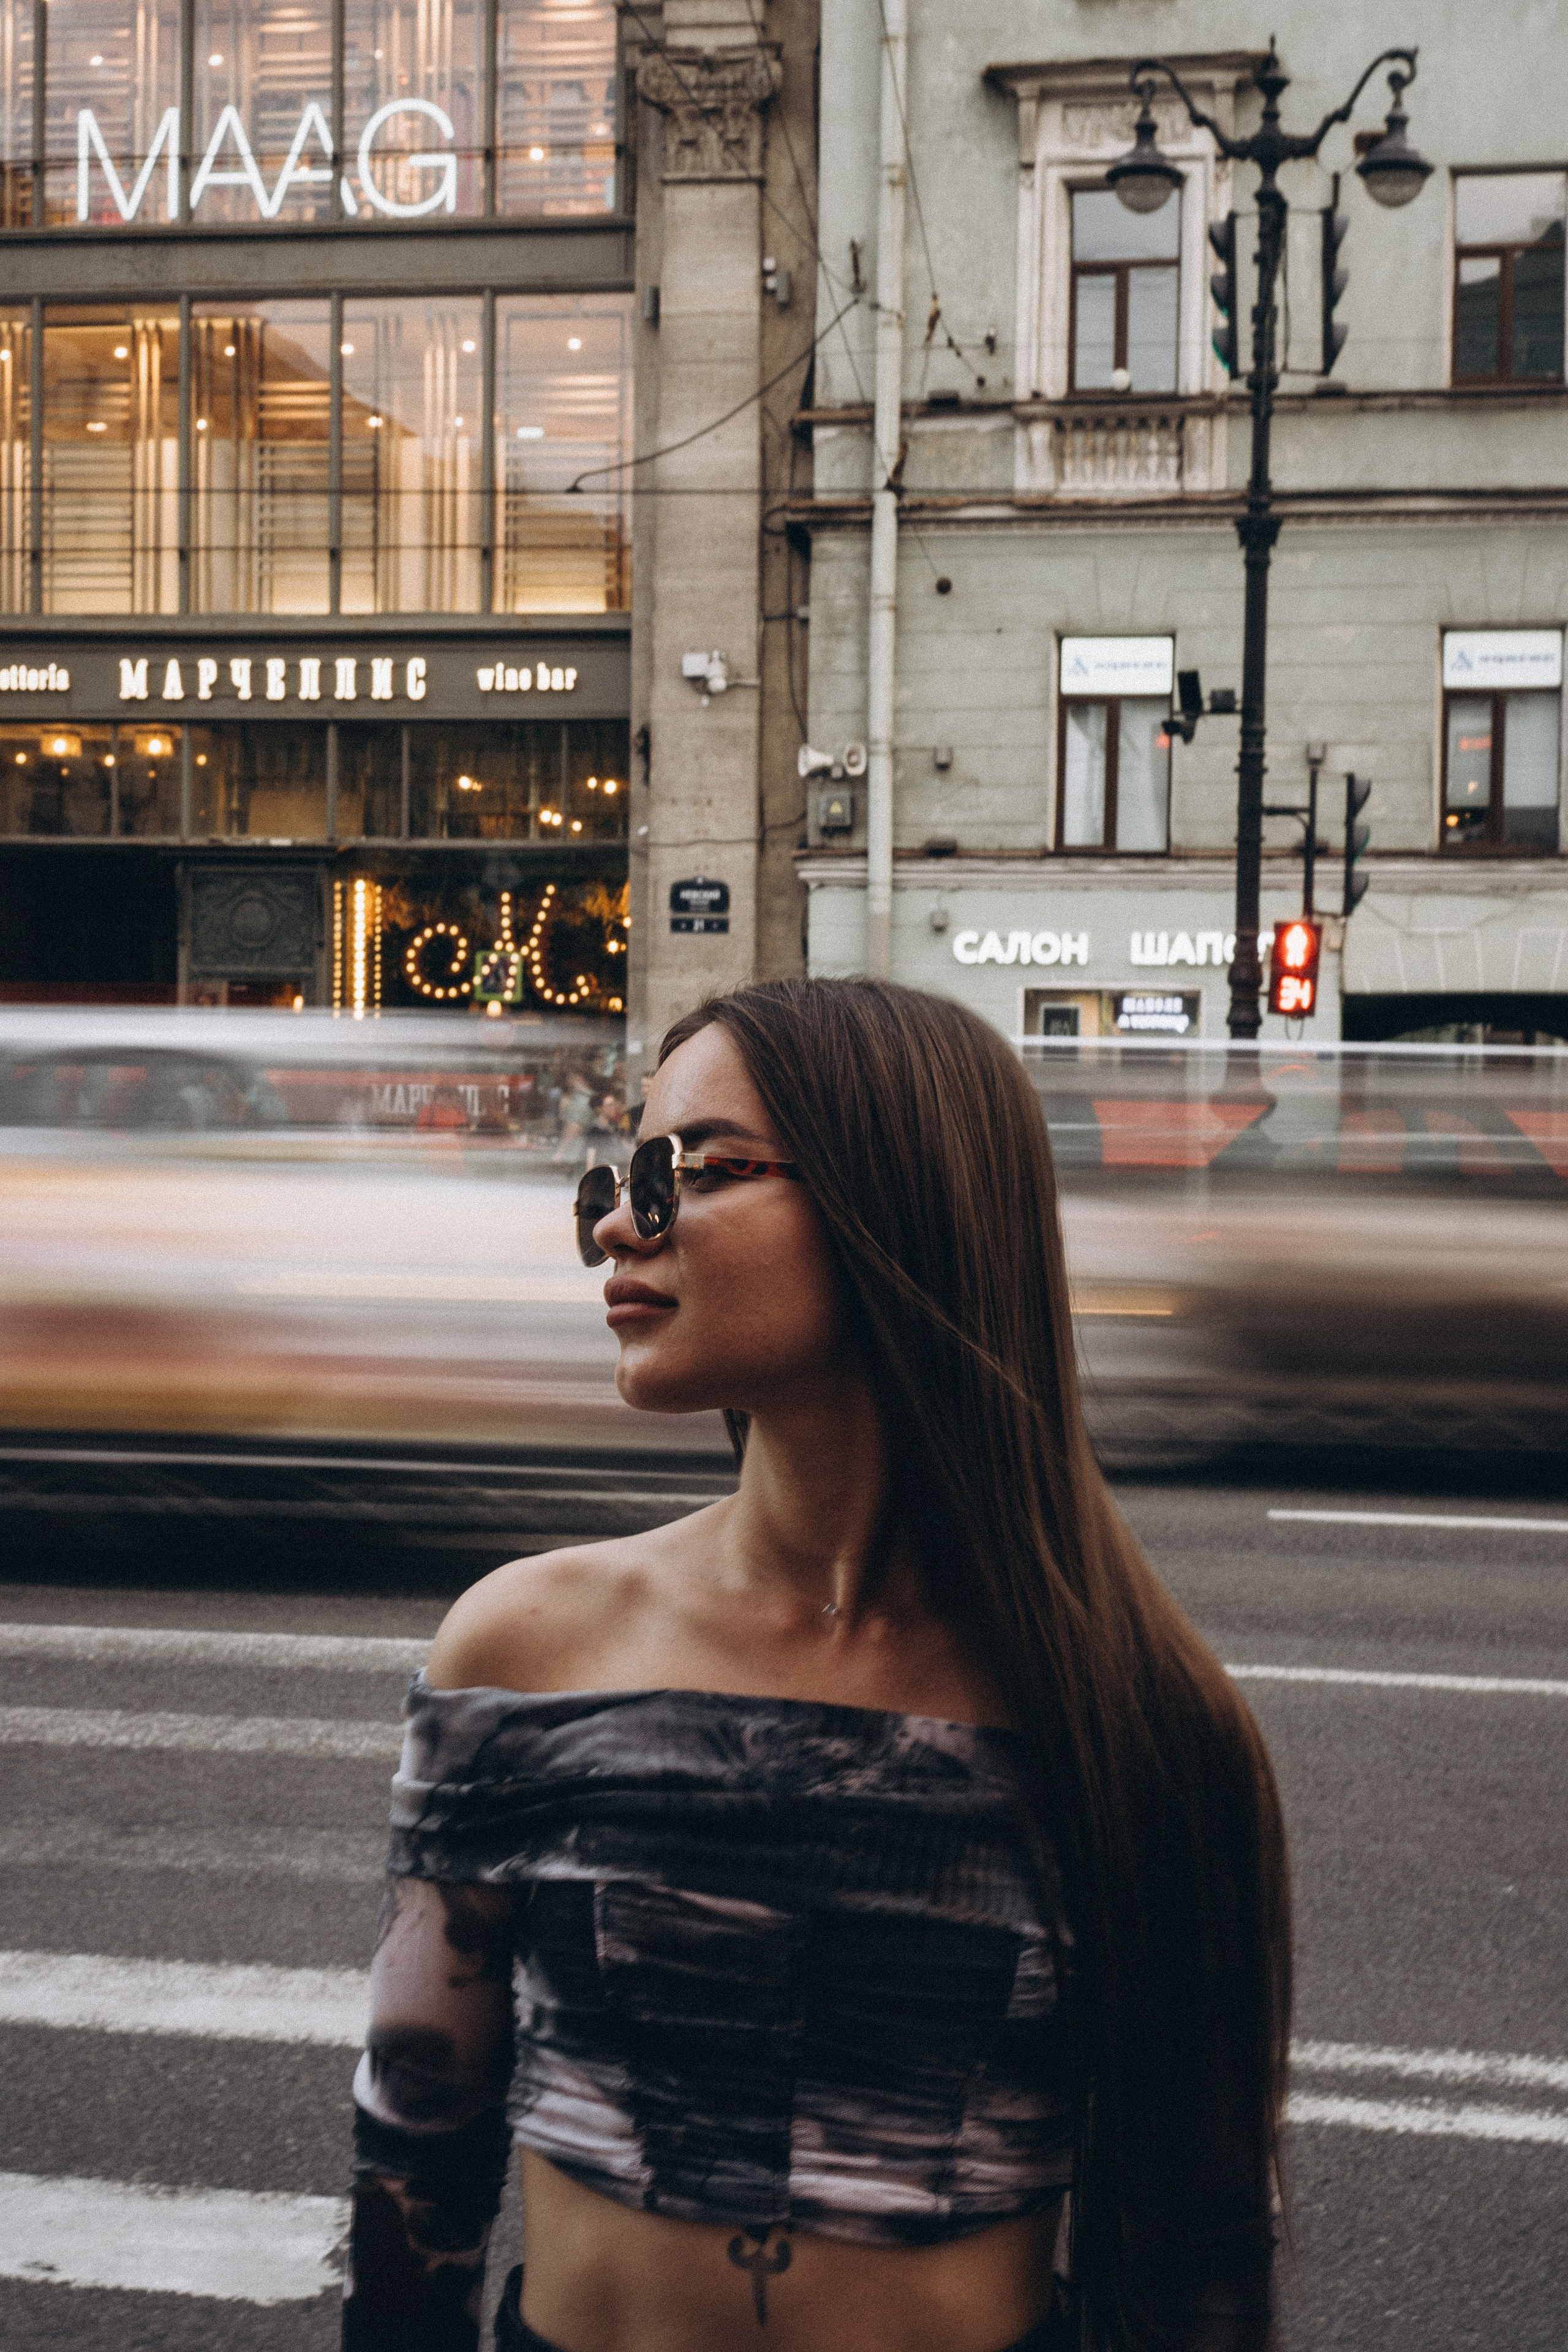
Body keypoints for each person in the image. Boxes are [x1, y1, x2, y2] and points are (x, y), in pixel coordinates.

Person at [343, 979, 1291, 2352]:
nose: (618, 1221)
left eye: (701, 1172)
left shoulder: (1134, 1718)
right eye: (615, 1178)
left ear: (902, 1207)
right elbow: (416, 2141)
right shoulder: (523, 1650)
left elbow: (1196, 2252)